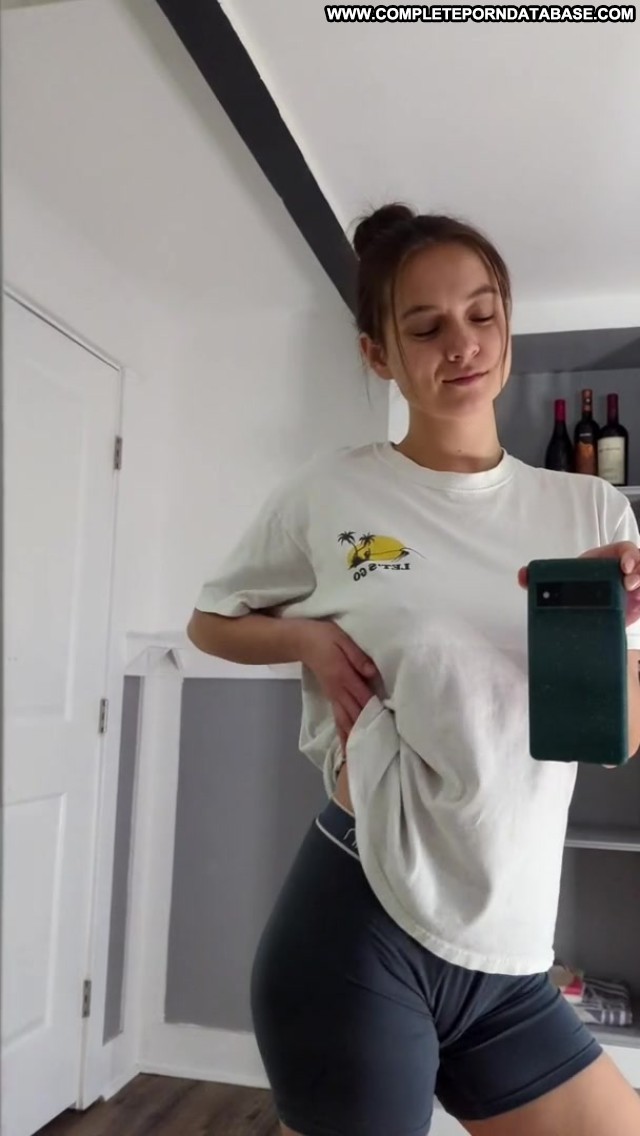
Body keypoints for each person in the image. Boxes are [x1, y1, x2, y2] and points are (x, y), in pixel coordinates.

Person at [187, 204, 640, 1136]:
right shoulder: (333, 493)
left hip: (507, 953)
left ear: (507, 324)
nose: (462, 345)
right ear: (380, 355)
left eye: (481, 315)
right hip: (361, 925)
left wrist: (604, 636)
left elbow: (618, 740)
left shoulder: (591, 512)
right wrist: (310, 640)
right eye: (425, 327)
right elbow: (211, 622)